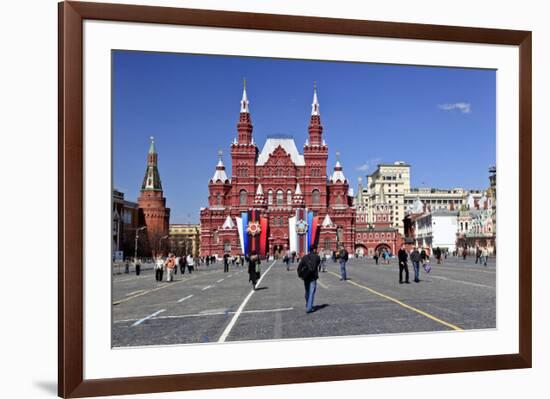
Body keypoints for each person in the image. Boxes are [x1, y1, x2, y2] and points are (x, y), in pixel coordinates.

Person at [297, 245, 321, 313]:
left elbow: (299, 267)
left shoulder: (304, 257)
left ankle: (308, 304)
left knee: (307, 291)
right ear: (314, 250)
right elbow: (317, 265)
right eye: (316, 249)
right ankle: (309, 308)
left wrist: (300, 275)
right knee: (311, 292)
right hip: (313, 277)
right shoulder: (317, 257)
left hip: (306, 277)